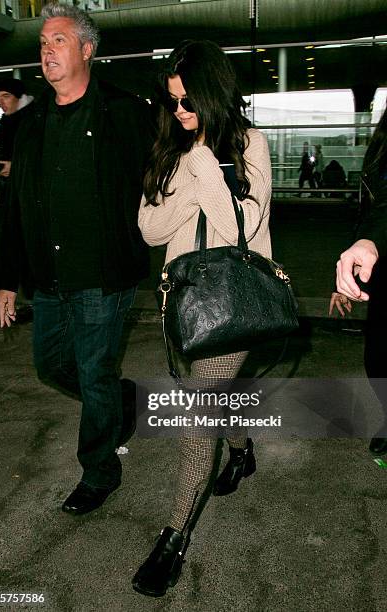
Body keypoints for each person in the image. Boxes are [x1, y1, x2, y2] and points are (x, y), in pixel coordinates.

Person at [0, 2, 153, 515]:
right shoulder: (32, 121)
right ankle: (119, 399)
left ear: (87, 49)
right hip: (49, 276)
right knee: (51, 366)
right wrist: (7, 279)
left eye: (58, 40)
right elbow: (17, 207)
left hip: (103, 276)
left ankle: (100, 471)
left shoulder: (124, 113)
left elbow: (163, 180)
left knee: (93, 369)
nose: (46, 50)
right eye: (42, 42)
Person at [133, 39, 272, 597]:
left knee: (197, 416)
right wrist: (191, 176)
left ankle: (173, 538)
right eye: (172, 102)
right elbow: (150, 228)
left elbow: (243, 227)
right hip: (184, 301)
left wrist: (201, 167)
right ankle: (241, 452)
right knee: (220, 395)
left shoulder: (249, 144)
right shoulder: (173, 149)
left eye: (188, 101)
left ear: (213, 94)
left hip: (233, 299)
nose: (179, 113)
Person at [336, 104, 387, 455]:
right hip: (381, 267)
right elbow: (376, 208)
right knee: (378, 360)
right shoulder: (382, 145)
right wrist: (359, 252)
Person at [0, 78, 34, 207]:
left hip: (26, 191)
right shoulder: (8, 120)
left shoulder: (34, 122)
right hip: (10, 188)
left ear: (20, 97)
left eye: (6, 96)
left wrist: (15, 167)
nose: (0, 102)